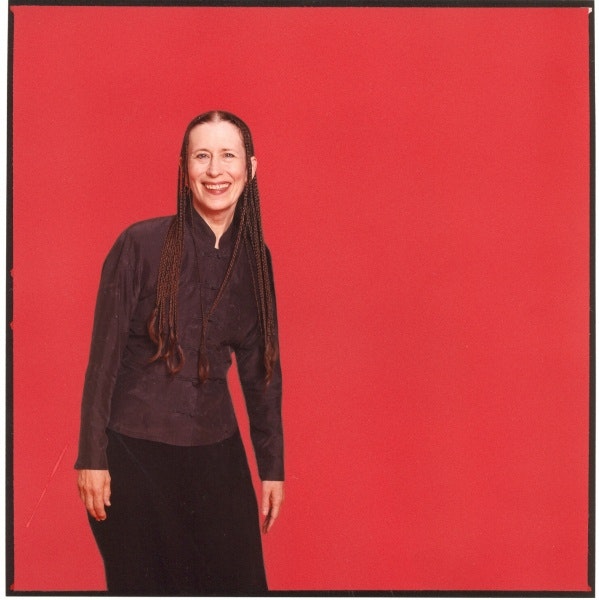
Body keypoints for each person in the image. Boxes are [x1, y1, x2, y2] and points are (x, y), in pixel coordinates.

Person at [75, 110, 284, 594]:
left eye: (228, 155)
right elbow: (102, 360)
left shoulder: (255, 260)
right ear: (184, 167)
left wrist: (272, 468)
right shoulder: (140, 245)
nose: (215, 170)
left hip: (217, 452)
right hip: (134, 453)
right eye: (201, 156)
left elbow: (262, 372)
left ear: (250, 168)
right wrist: (92, 458)